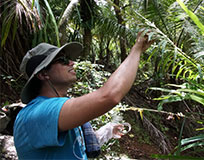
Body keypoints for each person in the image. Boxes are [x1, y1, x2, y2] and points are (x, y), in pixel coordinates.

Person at [13, 31, 154, 159]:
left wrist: (108, 130)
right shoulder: (37, 113)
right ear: (43, 74)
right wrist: (137, 49)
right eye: (62, 60)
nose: (72, 62)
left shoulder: (58, 110)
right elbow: (109, 95)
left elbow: (78, 146)